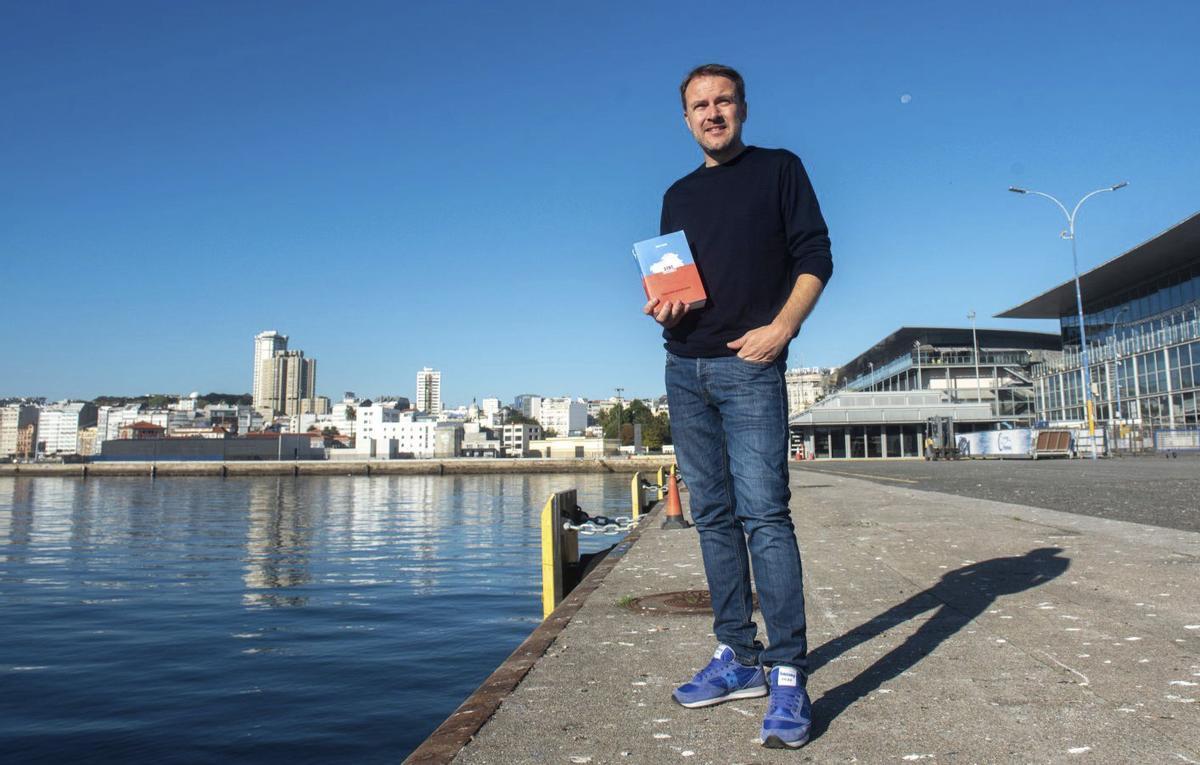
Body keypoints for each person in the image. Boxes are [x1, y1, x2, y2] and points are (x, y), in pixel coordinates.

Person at [643, 63, 832, 750]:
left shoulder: (781, 170)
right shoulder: (676, 194)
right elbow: (677, 288)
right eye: (700, 104)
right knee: (713, 515)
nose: (712, 112)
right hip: (684, 366)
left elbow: (816, 255)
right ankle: (738, 655)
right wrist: (665, 307)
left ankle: (787, 669)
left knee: (765, 515)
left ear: (743, 108)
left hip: (751, 368)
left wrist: (783, 329)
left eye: (723, 101)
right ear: (685, 118)